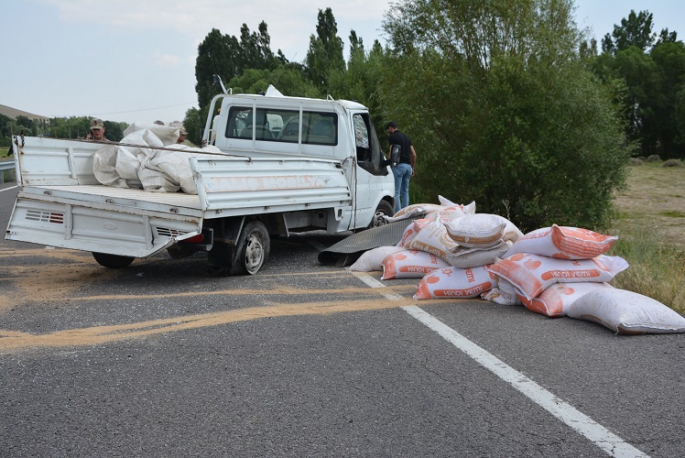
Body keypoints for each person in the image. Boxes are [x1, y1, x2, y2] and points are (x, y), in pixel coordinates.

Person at [385, 121, 417, 213]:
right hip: (408, 167)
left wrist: (388, 165)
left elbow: (391, 153)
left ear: (391, 128)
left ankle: (399, 214)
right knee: (405, 192)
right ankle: (406, 213)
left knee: (396, 192)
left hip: (398, 166)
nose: (388, 132)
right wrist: (412, 168)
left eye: (388, 130)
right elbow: (414, 154)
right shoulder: (407, 138)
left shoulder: (392, 137)